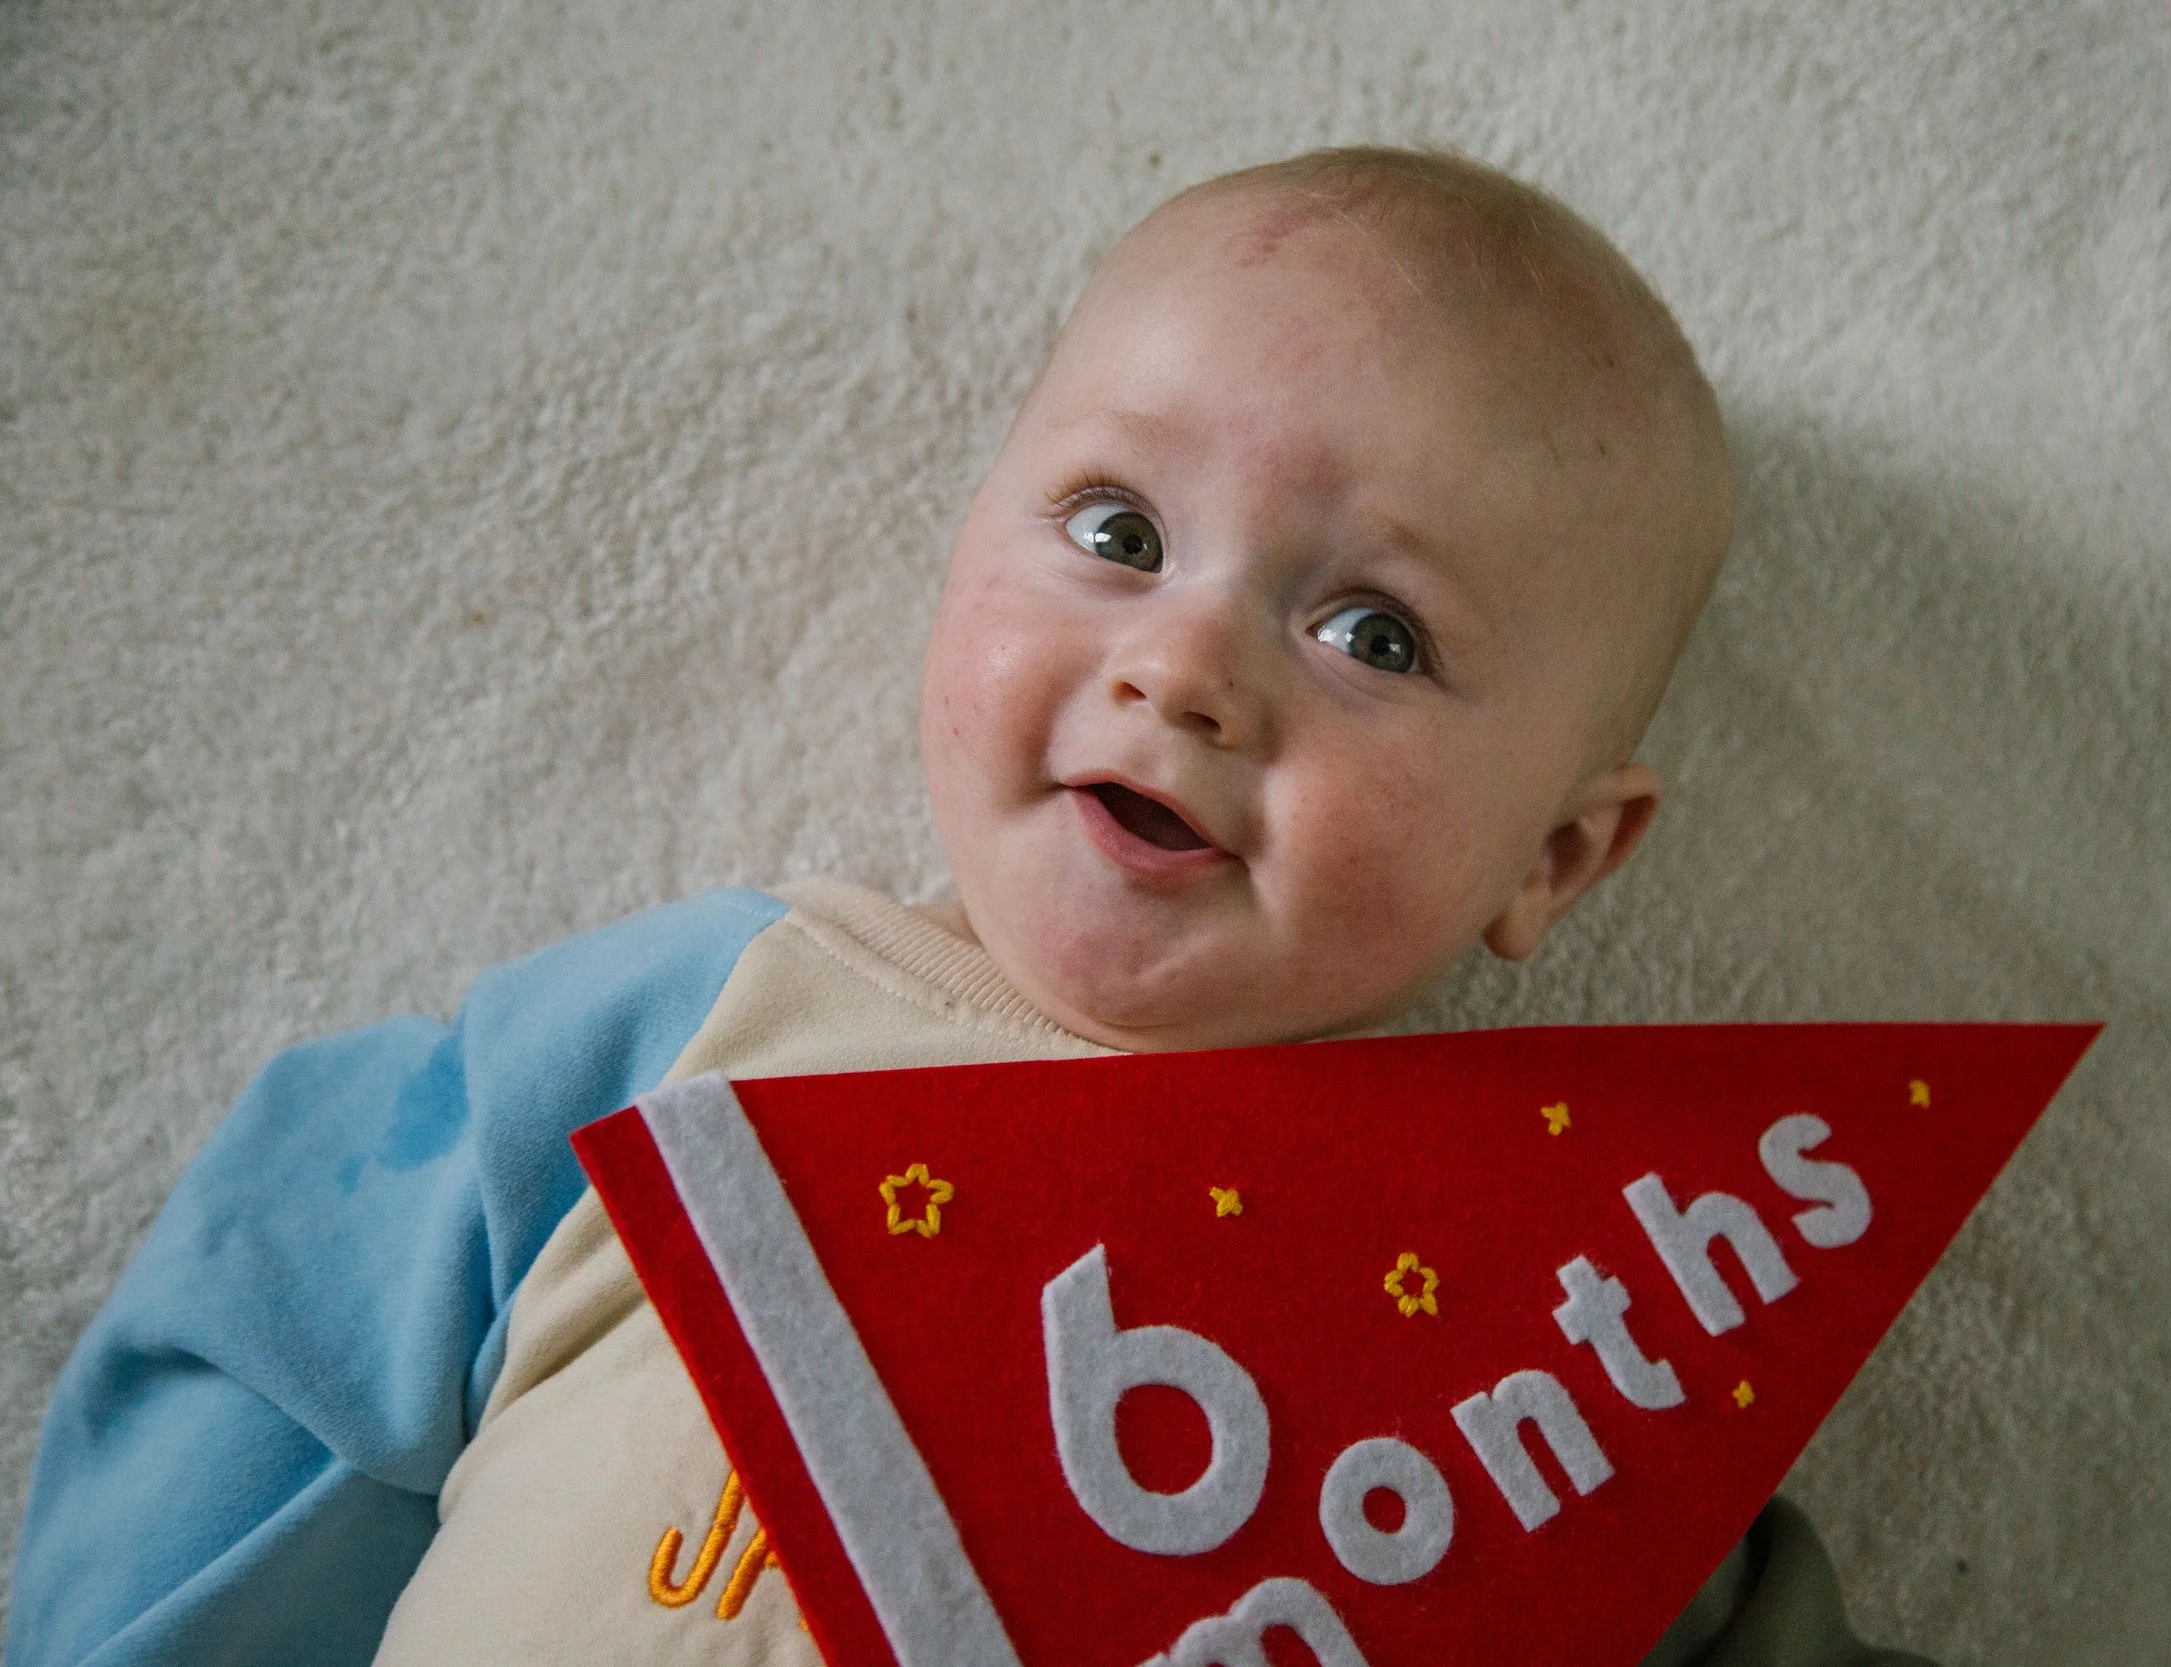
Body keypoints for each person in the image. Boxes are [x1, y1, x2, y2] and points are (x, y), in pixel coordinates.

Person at [5, 147, 1922, 1667]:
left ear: (1557, 858)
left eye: (1375, 634)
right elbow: (285, 1319)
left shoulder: (1564, 1289)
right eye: (1119, 533)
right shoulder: (715, 1012)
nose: (1185, 669)